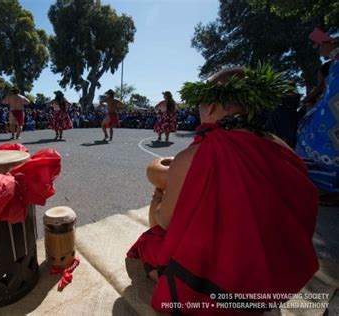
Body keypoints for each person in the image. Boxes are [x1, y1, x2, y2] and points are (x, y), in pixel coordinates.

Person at [127, 65, 319, 315]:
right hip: (274, 282)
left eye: (200, 104)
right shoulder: (282, 146)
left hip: (221, 285)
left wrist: (159, 197)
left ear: (212, 108)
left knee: (148, 243)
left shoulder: (193, 157)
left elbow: (164, 221)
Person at [296, 28, 339, 206]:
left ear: (328, 43)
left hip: (332, 112)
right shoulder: (333, 62)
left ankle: (332, 187)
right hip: (329, 108)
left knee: (320, 139)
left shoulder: (335, 63)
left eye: (319, 45)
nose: (318, 50)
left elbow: (331, 92)